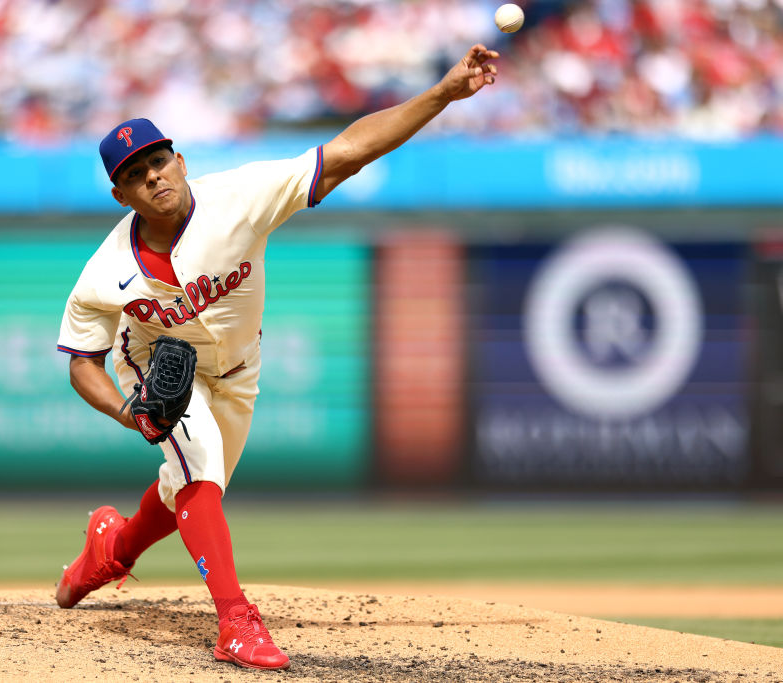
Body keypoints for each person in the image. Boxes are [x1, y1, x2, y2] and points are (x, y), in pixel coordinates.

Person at [53, 43, 500, 671]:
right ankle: (236, 622)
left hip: (239, 372)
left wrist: (442, 94)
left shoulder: (240, 197)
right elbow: (81, 363)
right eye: (135, 173)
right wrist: (132, 413)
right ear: (120, 194)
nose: (153, 176)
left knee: (189, 486)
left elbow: (347, 151)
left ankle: (111, 549)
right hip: (162, 377)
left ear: (180, 161)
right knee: (198, 467)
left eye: (158, 161)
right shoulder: (104, 272)